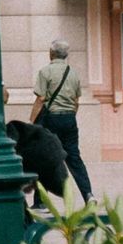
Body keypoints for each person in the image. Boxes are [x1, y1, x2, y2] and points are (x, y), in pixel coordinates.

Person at [29, 38, 93, 202]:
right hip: (69, 119)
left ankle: (40, 201)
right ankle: (88, 195)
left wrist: (32, 121)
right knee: (74, 158)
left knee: (45, 158)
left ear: (51, 53)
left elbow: (41, 98)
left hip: (51, 119)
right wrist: (70, 116)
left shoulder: (45, 72)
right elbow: (76, 101)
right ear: (66, 55)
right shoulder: (73, 73)